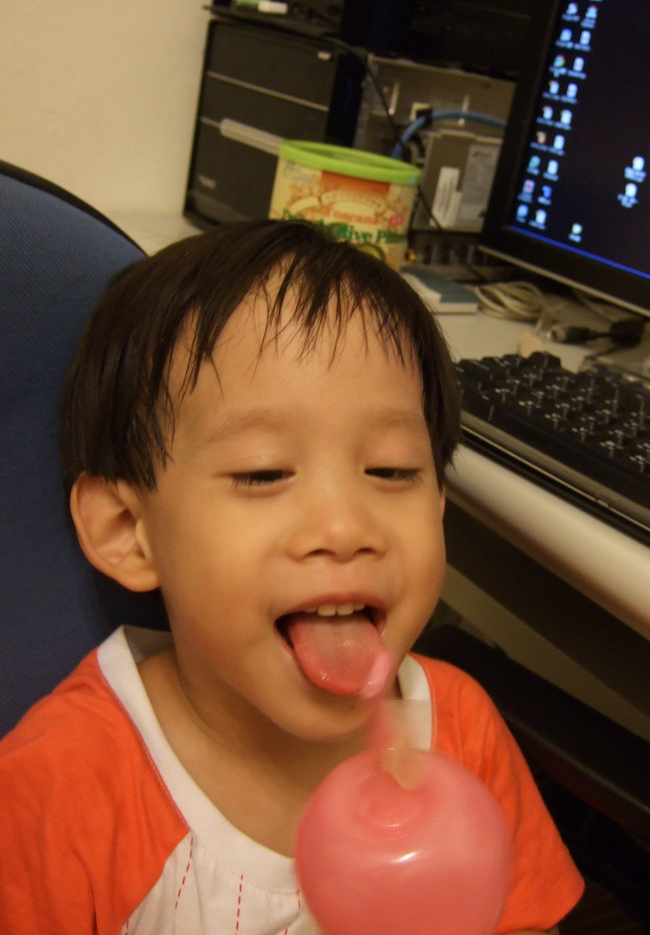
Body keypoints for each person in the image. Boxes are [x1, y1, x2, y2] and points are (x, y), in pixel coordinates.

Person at [0, 220, 583, 934]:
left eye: (391, 470)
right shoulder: (59, 789)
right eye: (263, 473)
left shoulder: (460, 731)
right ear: (129, 529)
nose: (345, 527)